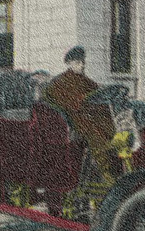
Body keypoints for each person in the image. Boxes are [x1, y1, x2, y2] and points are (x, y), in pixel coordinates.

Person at [42, 46, 120, 181]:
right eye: (78, 63)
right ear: (69, 63)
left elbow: (98, 90)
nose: (82, 66)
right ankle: (107, 176)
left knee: (118, 135)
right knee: (98, 138)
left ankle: (120, 170)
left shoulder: (85, 80)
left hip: (93, 118)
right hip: (75, 121)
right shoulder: (60, 82)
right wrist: (86, 101)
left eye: (83, 62)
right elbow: (69, 103)